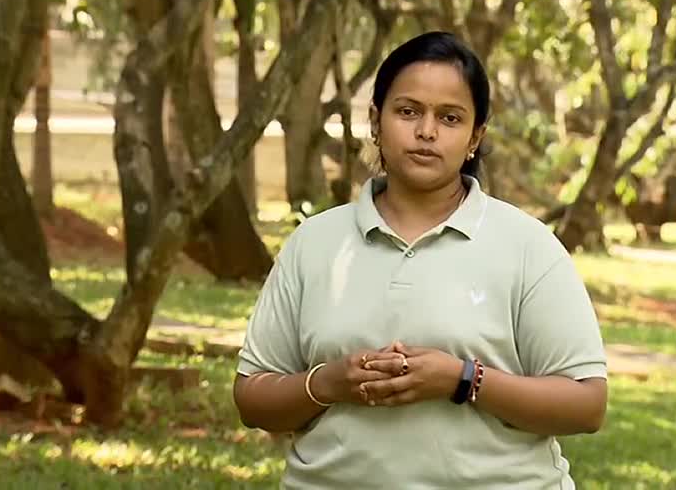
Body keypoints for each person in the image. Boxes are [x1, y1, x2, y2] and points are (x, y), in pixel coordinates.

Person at [233, 31, 608, 489]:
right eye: (408, 111)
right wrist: (330, 382)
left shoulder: (528, 246)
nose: (426, 131)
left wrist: (464, 379)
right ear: (375, 121)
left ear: (476, 135)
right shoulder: (314, 244)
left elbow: (587, 405)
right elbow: (252, 397)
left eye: (450, 118)